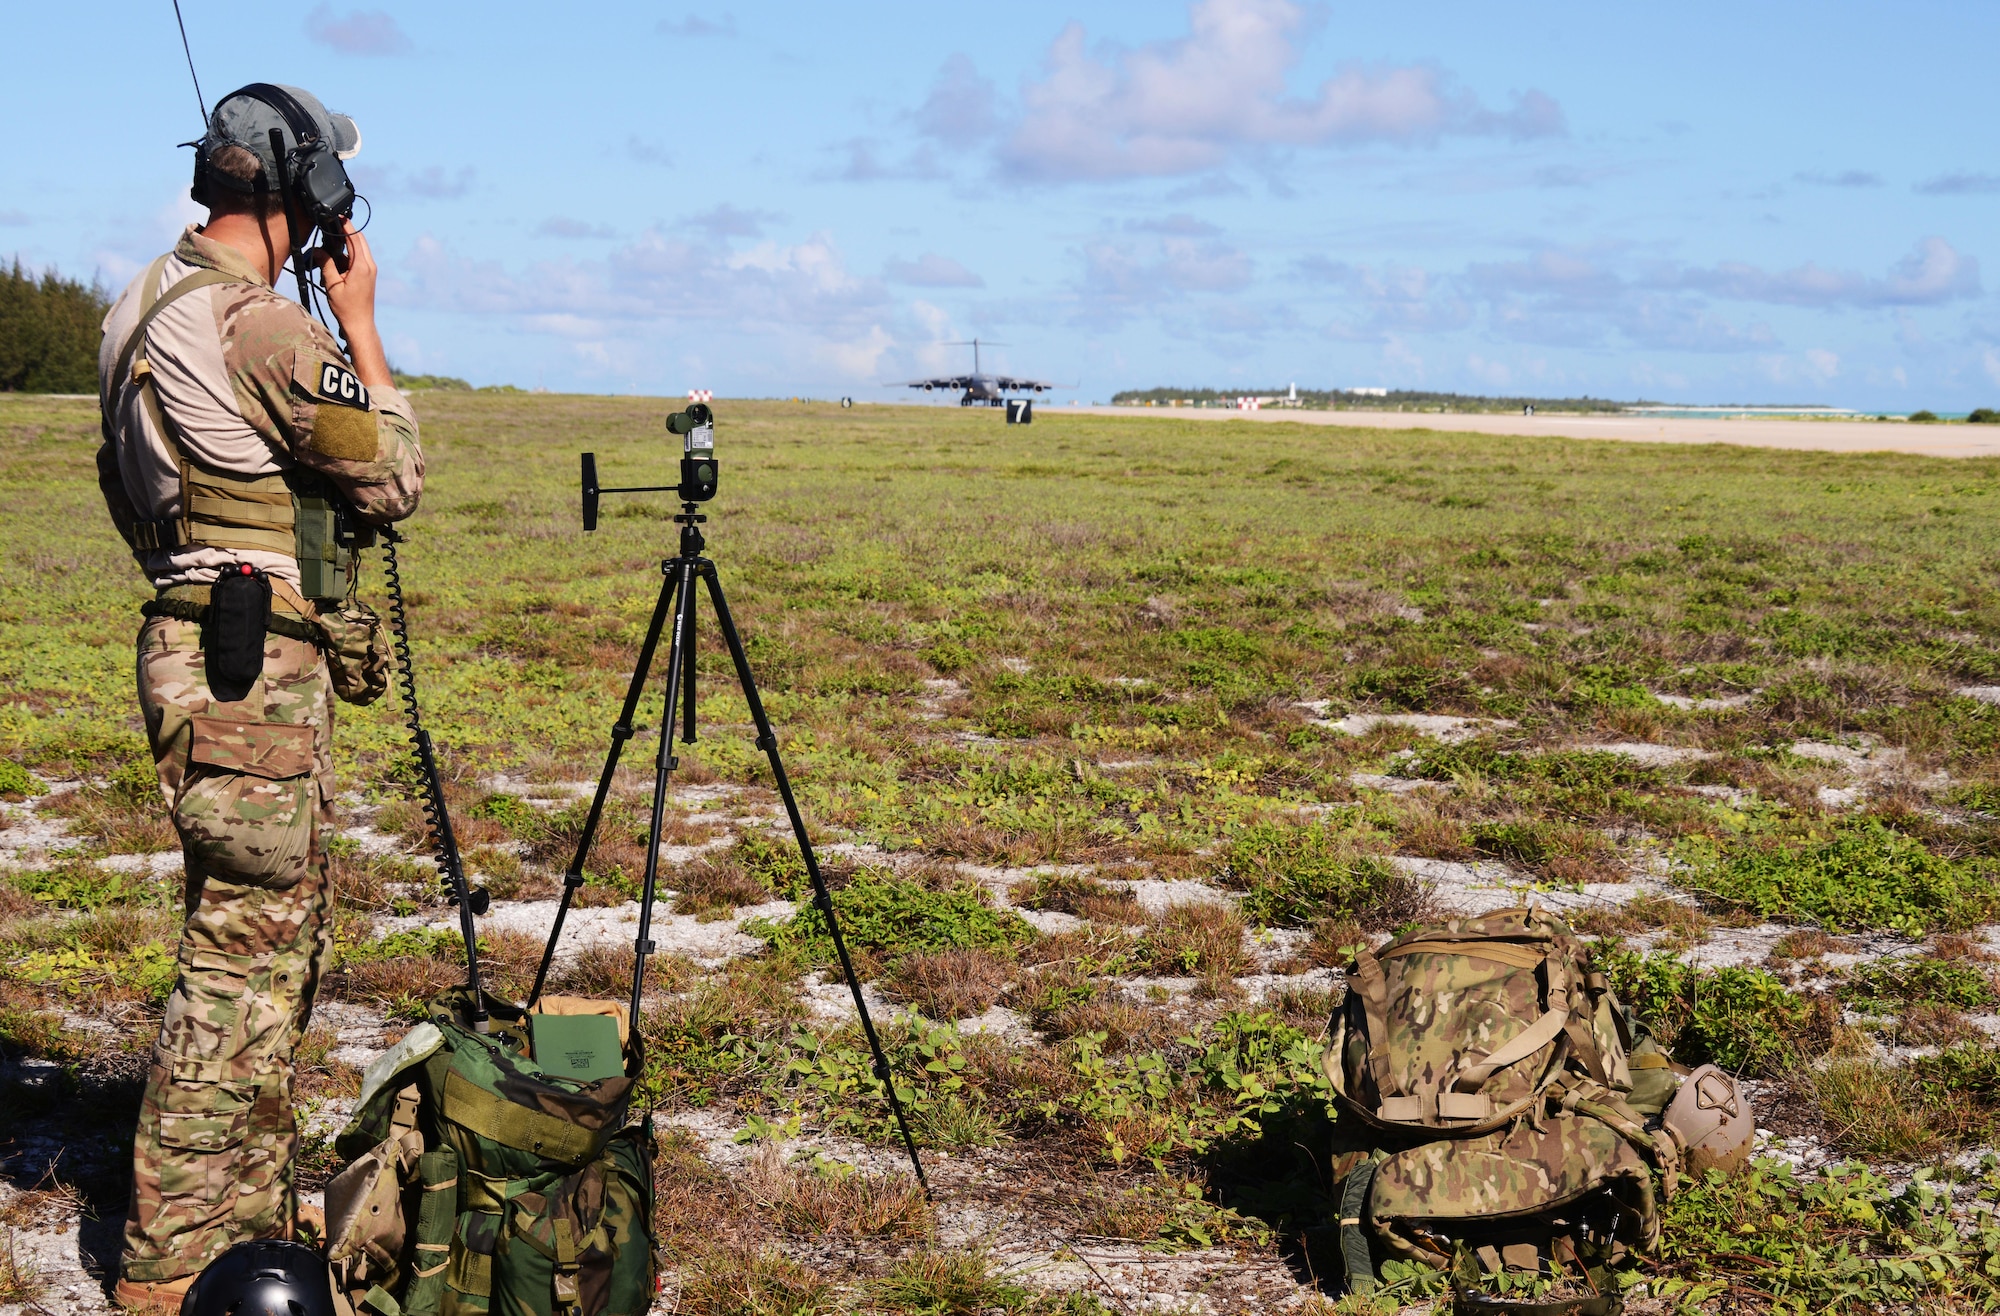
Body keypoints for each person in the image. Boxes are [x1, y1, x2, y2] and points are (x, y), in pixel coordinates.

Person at [95, 84, 423, 1312]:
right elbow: (390, 476)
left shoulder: (138, 304)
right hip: (247, 667)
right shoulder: (255, 326)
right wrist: (362, 322)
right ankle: (175, 1253)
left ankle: (228, 1210)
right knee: (240, 961)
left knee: (256, 935)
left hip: (194, 635)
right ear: (307, 191)